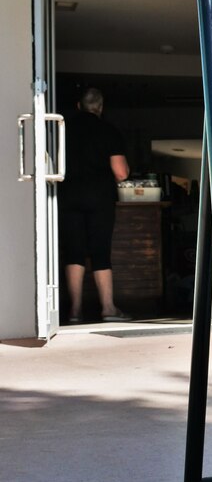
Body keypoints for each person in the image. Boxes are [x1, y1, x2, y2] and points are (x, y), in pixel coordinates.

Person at [59, 87, 131, 323]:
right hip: (100, 198)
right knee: (100, 251)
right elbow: (120, 173)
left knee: (74, 252)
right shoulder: (108, 130)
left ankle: (75, 311)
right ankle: (108, 309)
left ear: (78, 106)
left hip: (68, 196)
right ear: (100, 108)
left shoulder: (62, 128)